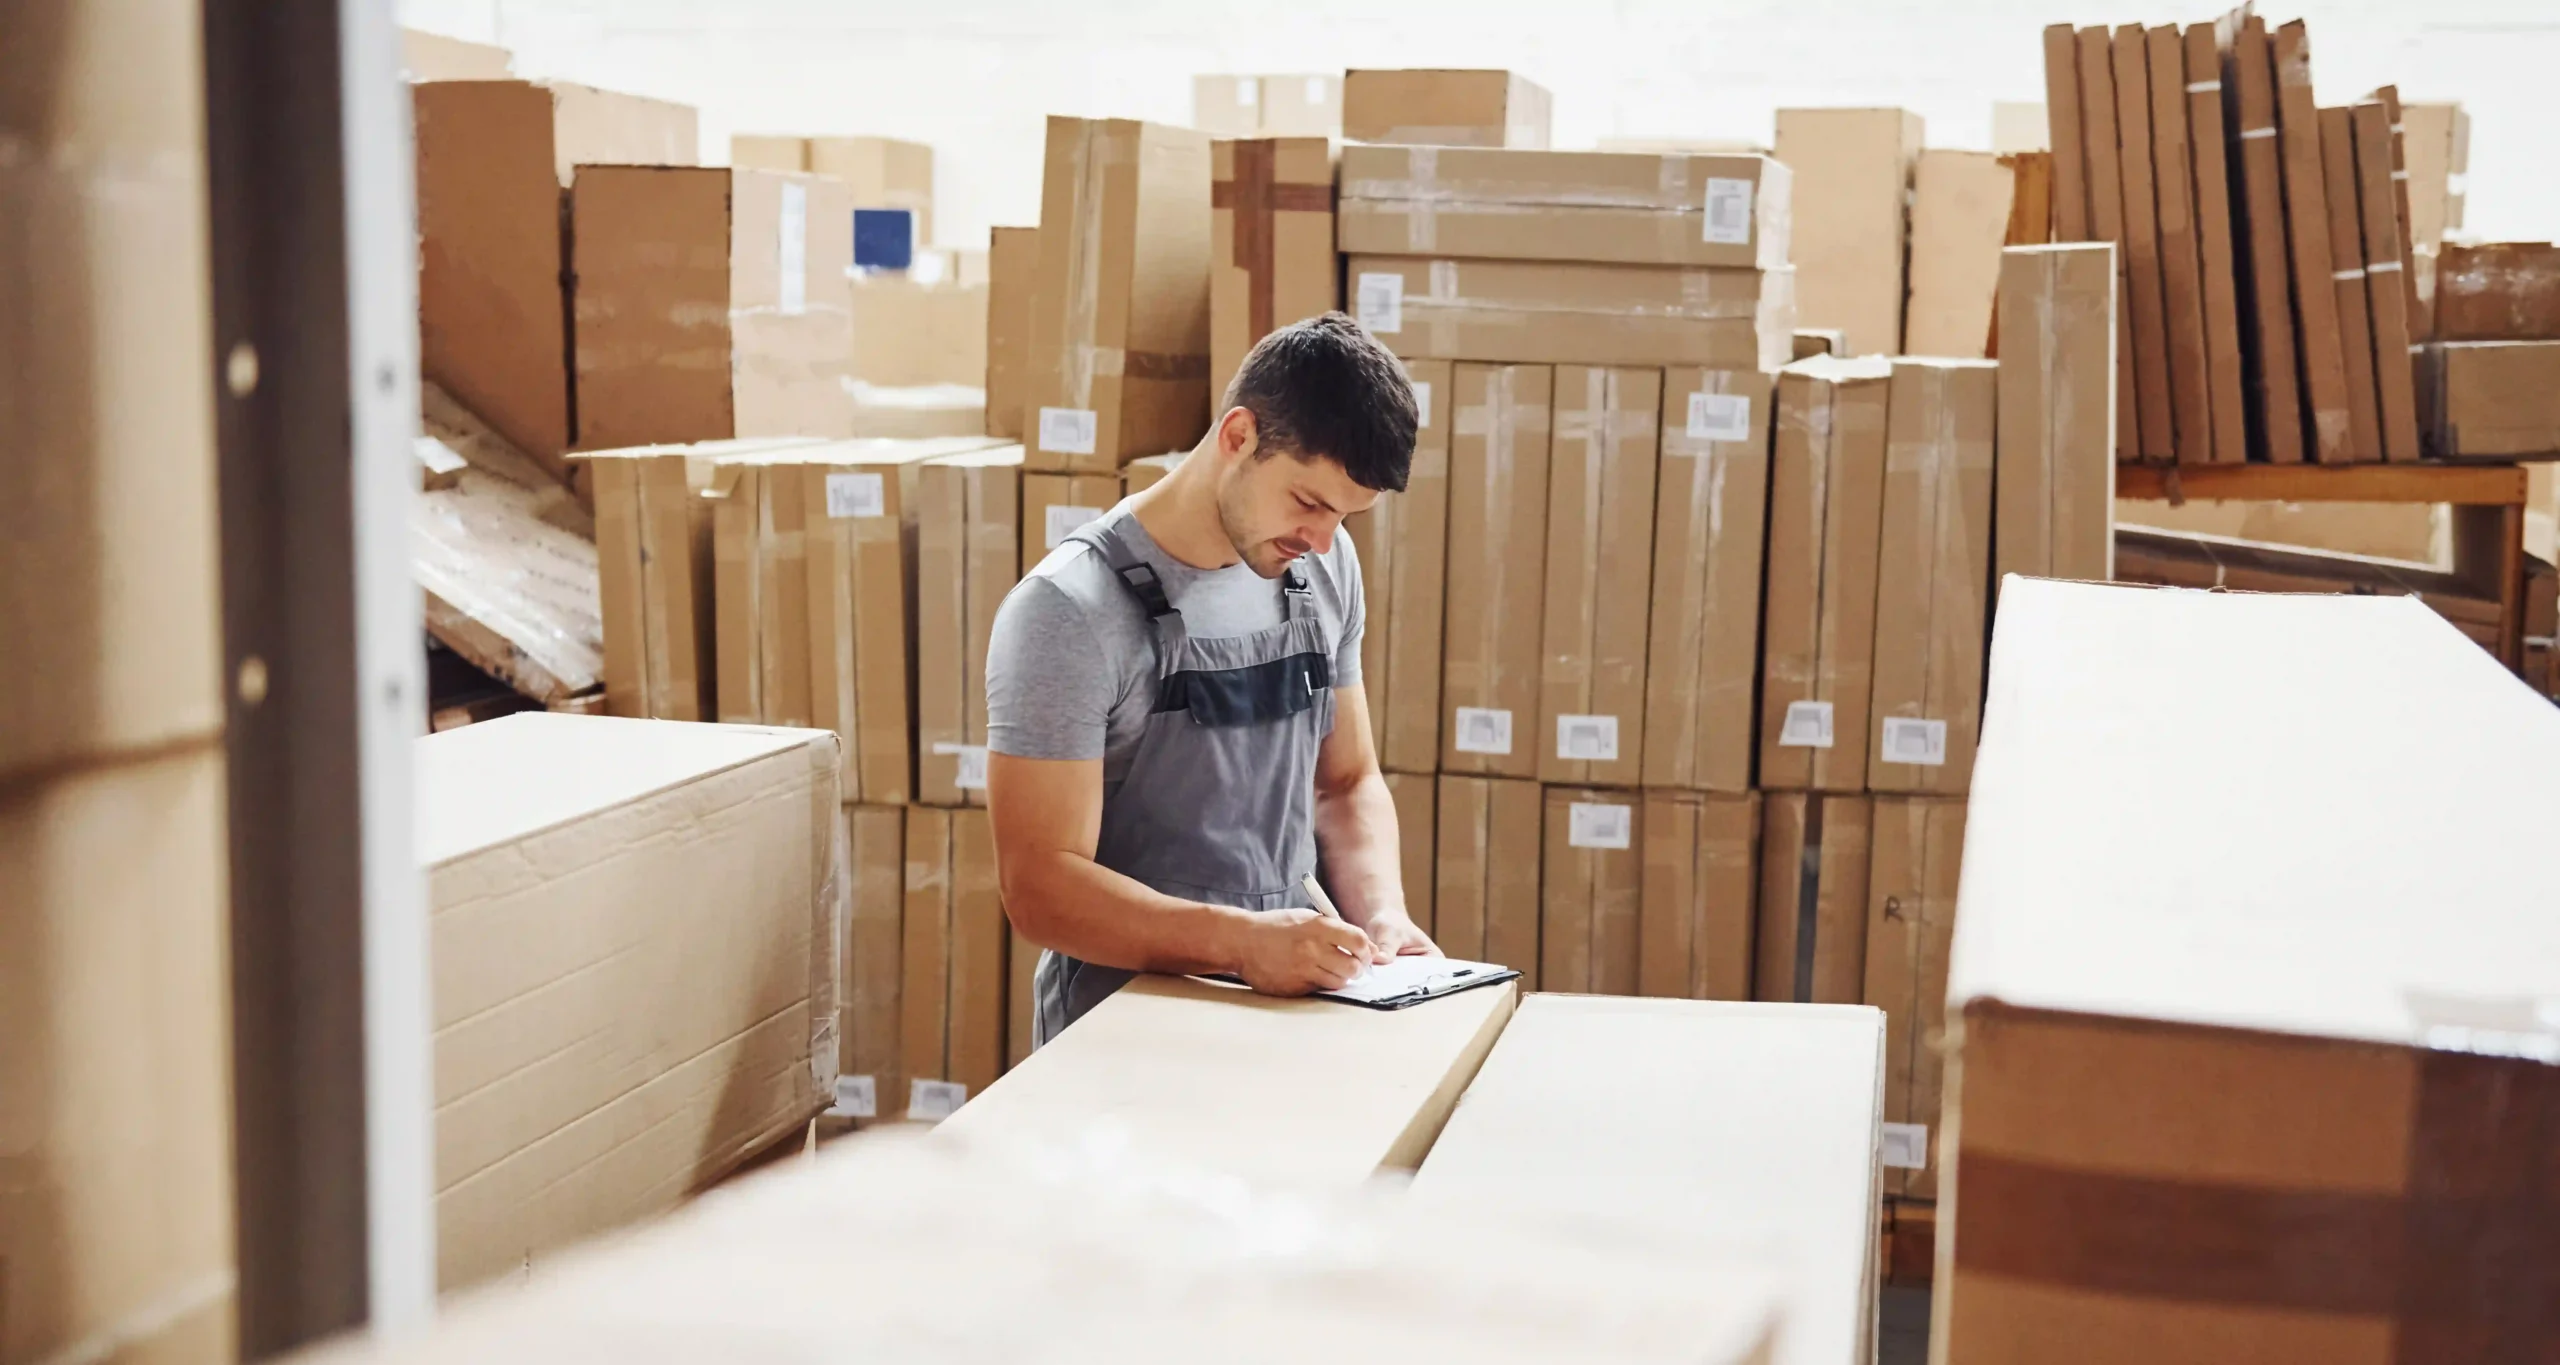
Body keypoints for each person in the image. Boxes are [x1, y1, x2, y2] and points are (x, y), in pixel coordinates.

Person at [985, 313, 1437, 1046]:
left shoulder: (1322, 567)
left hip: (1293, 1013)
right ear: (1237, 438)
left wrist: (1383, 914)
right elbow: (1040, 886)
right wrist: (1242, 944)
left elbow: (1345, 782)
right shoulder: (1068, 612)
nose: (1322, 542)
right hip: (1119, 1043)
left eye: (1347, 516)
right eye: (1310, 503)